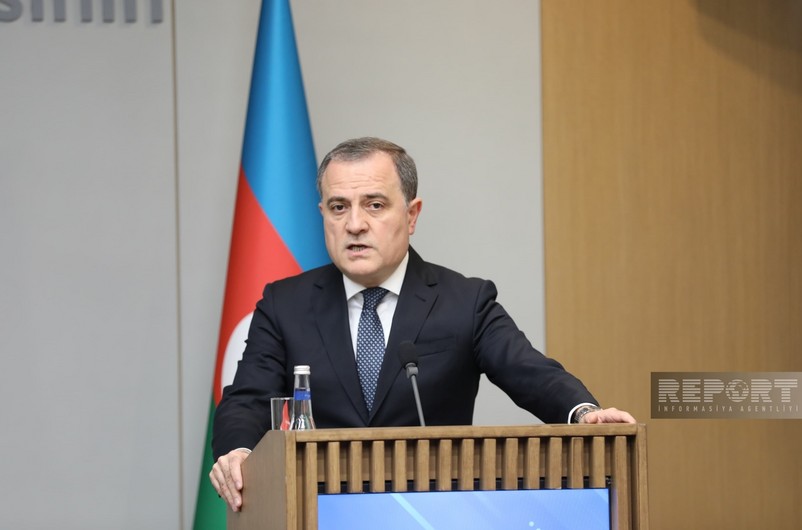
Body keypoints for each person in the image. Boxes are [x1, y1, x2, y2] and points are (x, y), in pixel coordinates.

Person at [209, 137, 635, 512]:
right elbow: (247, 399)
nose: (354, 224)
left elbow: (528, 370)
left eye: (375, 205)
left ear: (412, 215)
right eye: (338, 207)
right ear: (322, 214)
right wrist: (239, 452)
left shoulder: (465, 301)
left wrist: (583, 413)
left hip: (433, 510)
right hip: (317, 509)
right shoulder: (285, 303)